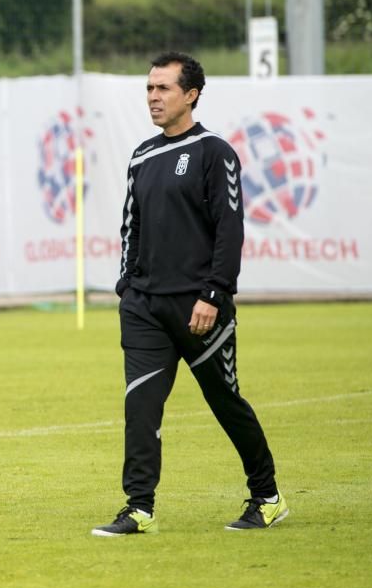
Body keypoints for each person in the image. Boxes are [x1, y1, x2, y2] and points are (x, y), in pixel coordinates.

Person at [92, 51, 287, 536]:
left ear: (191, 94)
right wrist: (126, 287)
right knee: (140, 406)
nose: (153, 98)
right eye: (149, 89)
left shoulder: (213, 152)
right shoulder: (142, 155)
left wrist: (214, 294)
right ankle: (139, 508)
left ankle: (267, 496)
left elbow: (230, 228)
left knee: (226, 403)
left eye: (164, 89)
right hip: (144, 309)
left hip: (201, 309)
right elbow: (129, 227)